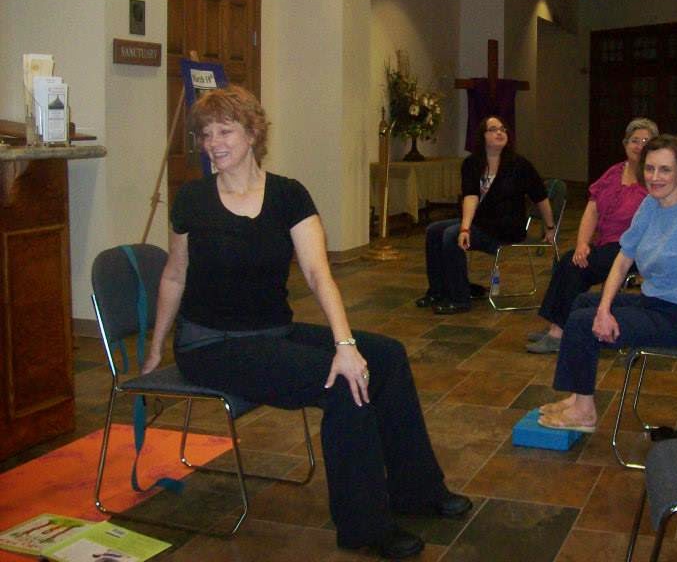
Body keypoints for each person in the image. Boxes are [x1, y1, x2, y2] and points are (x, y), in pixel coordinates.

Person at [141, 86, 469, 560]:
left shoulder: (288, 195)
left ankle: (417, 490)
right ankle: (364, 527)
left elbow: (318, 274)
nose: (213, 143)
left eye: (224, 131)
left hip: (272, 332)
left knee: (387, 357)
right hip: (211, 345)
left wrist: (345, 343)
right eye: (205, 135)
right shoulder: (192, 199)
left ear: (252, 133)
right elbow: (174, 275)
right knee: (342, 385)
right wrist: (157, 347)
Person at [538, 135, 677, 433]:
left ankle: (584, 413)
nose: (655, 177)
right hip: (656, 304)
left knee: (580, 323)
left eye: (665, 170)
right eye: (650, 168)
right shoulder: (651, 205)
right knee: (583, 304)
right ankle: (578, 397)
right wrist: (604, 308)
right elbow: (624, 257)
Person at [526, 118, 658, 354]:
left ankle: (559, 332)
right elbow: (592, 209)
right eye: (634, 140)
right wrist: (582, 243)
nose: (639, 146)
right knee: (568, 260)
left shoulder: (654, 179)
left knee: (576, 268)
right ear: (625, 144)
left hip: (634, 249)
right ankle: (557, 324)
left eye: (646, 141)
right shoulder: (614, 172)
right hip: (606, 245)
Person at [416, 115, 556, 314]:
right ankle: (438, 291)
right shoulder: (472, 164)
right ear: (482, 136)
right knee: (434, 230)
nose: (500, 132)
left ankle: (460, 298)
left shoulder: (519, 165)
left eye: (503, 129)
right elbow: (470, 196)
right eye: (493, 129)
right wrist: (465, 228)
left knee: (451, 235)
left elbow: (540, 197)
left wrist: (550, 227)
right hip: (481, 223)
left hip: (506, 228)